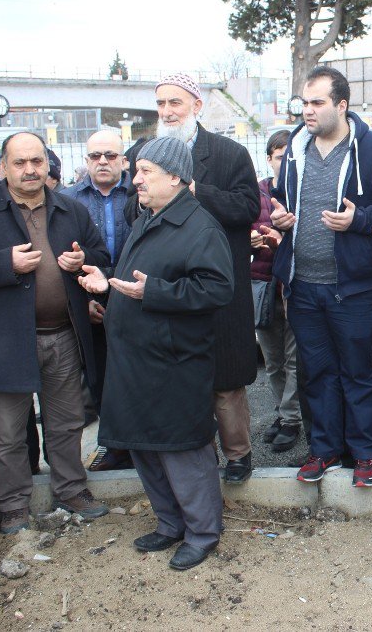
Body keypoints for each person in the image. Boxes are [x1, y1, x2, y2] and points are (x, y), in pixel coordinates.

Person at [0, 131, 111, 534]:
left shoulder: (70, 210)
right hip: (6, 339)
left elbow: (102, 257)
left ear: (47, 165)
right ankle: (13, 505)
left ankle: (71, 488)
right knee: (7, 431)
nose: (31, 169)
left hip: (64, 334)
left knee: (66, 421)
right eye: (20, 162)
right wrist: (4, 263)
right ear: (2, 168)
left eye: (37, 161)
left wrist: (84, 261)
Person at [79, 136, 233, 571]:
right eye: (138, 169)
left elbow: (218, 288)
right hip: (135, 360)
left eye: (146, 171)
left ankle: (202, 532)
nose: (137, 178)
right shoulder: (149, 217)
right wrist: (105, 281)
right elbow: (136, 279)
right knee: (144, 446)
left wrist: (155, 292)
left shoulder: (200, 227)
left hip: (173, 361)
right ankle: (170, 524)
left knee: (182, 450)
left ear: (177, 178)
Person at [270, 66, 372, 487]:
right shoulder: (295, 147)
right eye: (304, 103)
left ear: (341, 105)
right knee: (317, 373)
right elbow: (281, 197)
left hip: (354, 287)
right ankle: (325, 450)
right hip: (304, 284)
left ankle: (365, 454)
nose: (307, 111)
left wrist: (359, 220)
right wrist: (281, 217)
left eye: (317, 103)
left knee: (357, 373)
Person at [128, 73, 260, 484]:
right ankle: (197, 462)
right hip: (164, 288)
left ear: (197, 107)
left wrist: (193, 190)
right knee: (180, 383)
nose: (166, 112)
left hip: (217, 287)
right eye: (161, 104)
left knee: (225, 382)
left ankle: (238, 455)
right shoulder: (142, 153)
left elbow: (246, 208)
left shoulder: (228, 153)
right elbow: (132, 214)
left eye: (175, 104)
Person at [62, 130, 134, 444]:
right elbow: (63, 257)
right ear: (86, 160)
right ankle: (114, 445)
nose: (102, 161)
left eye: (110, 155)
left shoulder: (140, 195)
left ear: (124, 161)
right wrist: (83, 300)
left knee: (138, 374)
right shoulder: (67, 201)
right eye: (95, 156)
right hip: (91, 297)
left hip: (137, 294)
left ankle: (142, 445)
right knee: (101, 376)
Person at [251, 130, 301, 453]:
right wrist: (253, 240)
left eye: (289, 158)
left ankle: (292, 419)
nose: (284, 164)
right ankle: (282, 413)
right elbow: (243, 228)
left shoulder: (302, 189)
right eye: (279, 157)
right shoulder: (255, 193)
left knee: (296, 360)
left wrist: (286, 238)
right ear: (269, 159)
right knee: (272, 360)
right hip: (263, 284)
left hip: (294, 287)